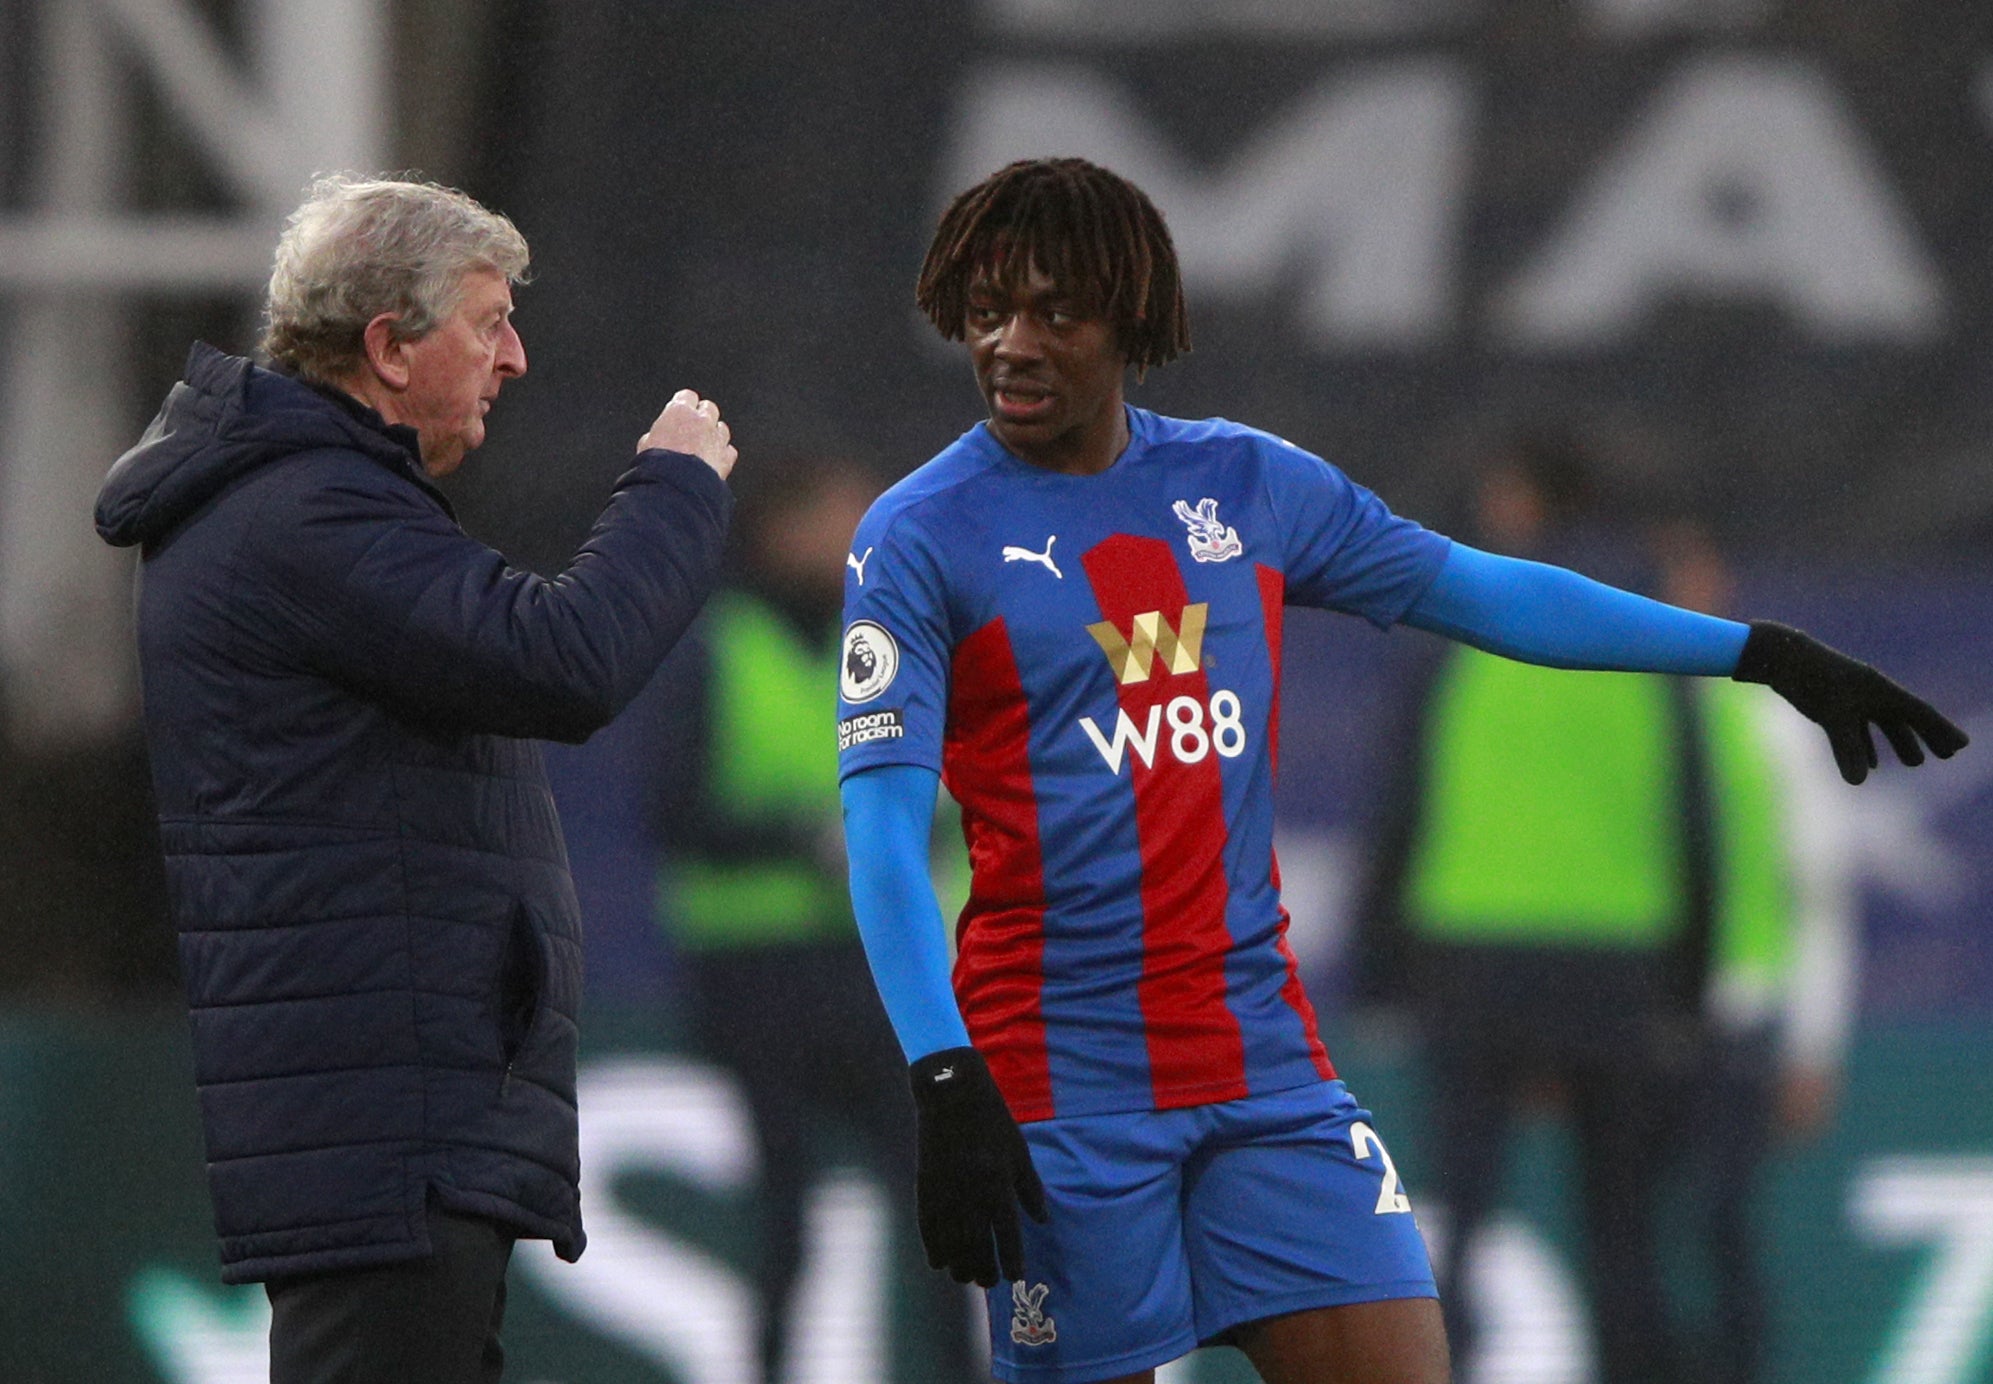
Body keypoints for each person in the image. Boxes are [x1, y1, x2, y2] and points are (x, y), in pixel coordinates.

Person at [832, 157, 1966, 1384]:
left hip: (1263, 1072)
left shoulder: (1244, 484)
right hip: (1060, 1083)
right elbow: (887, 839)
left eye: (1055, 311)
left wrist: (1756, 654)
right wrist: (946, 1075)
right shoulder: (917, 534)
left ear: (1133, 316)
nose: (1011, 343)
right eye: (988, 311)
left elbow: (1486, 592)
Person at [92, 175, 737, 1384]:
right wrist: (675, 489)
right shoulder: (307, 514)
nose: (517, 357)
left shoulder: (305, 504)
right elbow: (566, 660)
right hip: (384, 1123)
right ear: (388, 347)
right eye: (487, 322)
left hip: (395, 1112)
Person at [1351, 437, 1721, 1384]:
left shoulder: (1467, 621)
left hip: (1472, 944)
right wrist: (1687, 986)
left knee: (1450, 1219)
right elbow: (1691, 811)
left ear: (1522, 501)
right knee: (1622, 1228)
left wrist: (1376, 966)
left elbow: (1401, 796)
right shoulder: (1646, 634)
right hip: (1615, 952)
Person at [645, 457, 980, 1383]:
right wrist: (805, 841)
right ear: (779, 527)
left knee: (938, 1201)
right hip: (755, 980)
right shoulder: (716, 646)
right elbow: (672, 814)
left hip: (875, 975)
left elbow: (948, 799)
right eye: (840, 513)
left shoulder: (880, 644)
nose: (861, 535)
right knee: (784, 1211)